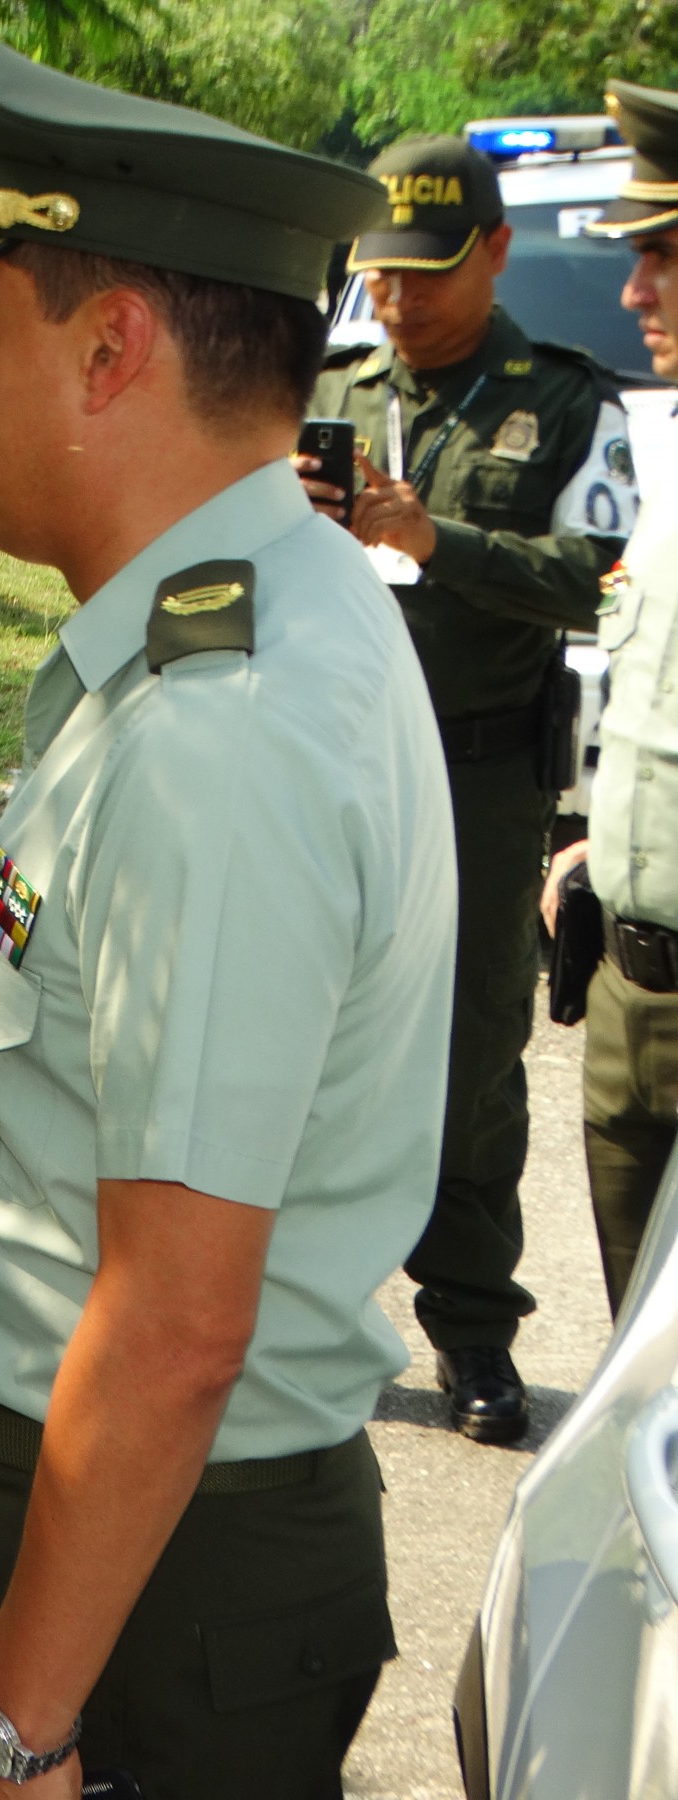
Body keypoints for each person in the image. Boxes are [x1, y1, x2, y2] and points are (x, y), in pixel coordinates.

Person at [0, 42, 448, 1798]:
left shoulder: (215, 726)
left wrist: (16, 1733)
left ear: (111, 351)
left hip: (147, 1575)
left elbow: (173, 1330)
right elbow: (213, 1028)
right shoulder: (241, 608)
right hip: (145, 1536)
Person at [297, 136, 636, 1443]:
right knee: (311, 1041)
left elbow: (594, 577)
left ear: (493, 255)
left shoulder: (565, 404)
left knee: (471, 1058)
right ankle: (305, 1314)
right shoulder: (332, 391)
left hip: (482, 776)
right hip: (331, 767)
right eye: (381, 277)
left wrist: (435, 537)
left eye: (428, 275)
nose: (400, 301)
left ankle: (475, 1332)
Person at [545, 78, 678, 1315]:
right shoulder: (665, 455)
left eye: (665, 257)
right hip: (632, 994)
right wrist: (607, 838)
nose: (636, 291)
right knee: (648, 1404)